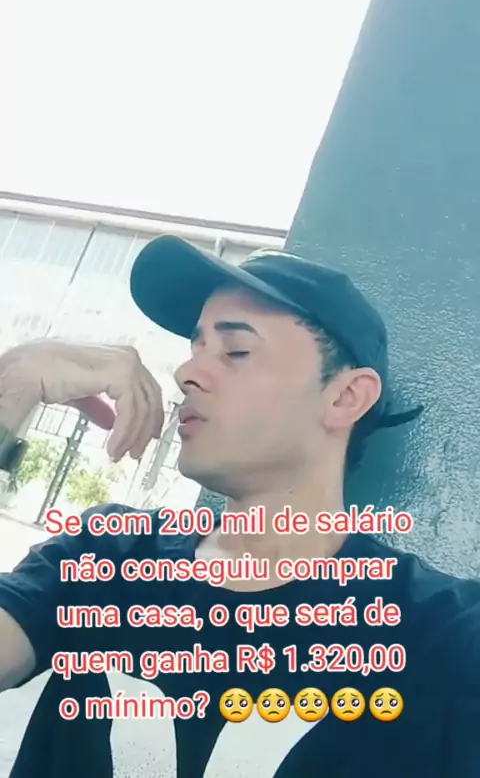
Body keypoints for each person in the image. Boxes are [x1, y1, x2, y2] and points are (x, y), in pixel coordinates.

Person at [0, 234, 479, 778]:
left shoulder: (445, 637)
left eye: (236, 351)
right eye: (195, 347)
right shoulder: (105, 558)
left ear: (346, 397)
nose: (186, 373)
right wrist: (14, 385)